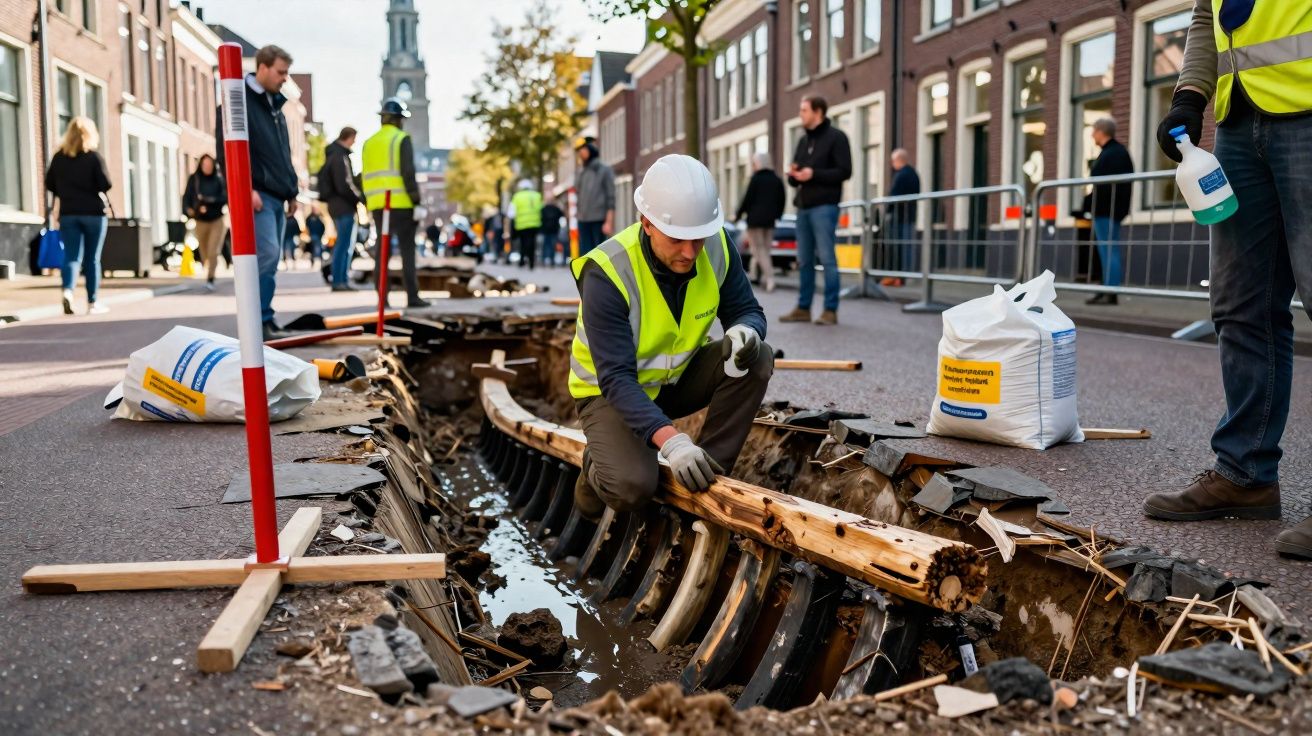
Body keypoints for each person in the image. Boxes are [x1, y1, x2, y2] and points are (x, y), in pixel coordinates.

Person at [1141, 0, 1312, 560]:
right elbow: (1204, 17)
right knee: (1240, 304)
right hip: (1239, 125)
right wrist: (1190, 96)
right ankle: (1246, 474)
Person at [569, 154, 773, 519]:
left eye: (698, 238)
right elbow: (615, 379)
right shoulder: (607, 272)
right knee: (633, 488)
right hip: (609, 394)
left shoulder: (717, 246)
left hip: (675, 381)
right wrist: (673, 442)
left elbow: (748, 310)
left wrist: (747, 330)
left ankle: (706, 474)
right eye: (678, 239)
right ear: (646, 222)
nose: (690, 252)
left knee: (758, 357)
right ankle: (595, 466)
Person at [216, 44, 299, 339]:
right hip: (259, 196)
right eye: (281, 72)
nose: (285, 78)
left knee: (272, 260)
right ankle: (258, 323)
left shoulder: (276, 105)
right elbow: (226, 151)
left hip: (278, 195)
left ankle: (266, 319)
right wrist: (244, 188)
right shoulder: (239, 102)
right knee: (267, 255)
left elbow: (282, 153)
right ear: (262, 68)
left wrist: (292, 191)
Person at [782, 96, 852, 325]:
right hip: (803, 207)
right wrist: (794, 175)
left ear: (818, 112)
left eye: (804, 110)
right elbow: (797, 179)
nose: (800, 114)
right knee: (803, 260)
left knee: (827, 259)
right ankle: (803, 308)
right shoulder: (803, 142)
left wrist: (814, 174)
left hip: (825, 207)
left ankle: (830, 310)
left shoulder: (837, 138)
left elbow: (845, 171)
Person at [361, 97, 425, 307]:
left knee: (383, 250)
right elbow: (408, 173)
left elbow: (363, 176)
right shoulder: (401, 139)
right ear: (399, 120)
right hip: (402, 204)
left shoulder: (368, 143)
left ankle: (383, 299)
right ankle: (412, 297)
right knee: (407, 251)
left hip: (379, 206)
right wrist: (417, 202)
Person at [45, 116, 111, 315]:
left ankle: (68, 292)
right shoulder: (93, 157)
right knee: (92, 259)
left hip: (69, 213)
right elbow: (106, 184)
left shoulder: (59, 158)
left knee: (71, 257)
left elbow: (49, 184)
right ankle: (92, 303)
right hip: (93, 214)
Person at [1084, 118, 1134, 305]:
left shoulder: (1112, 153)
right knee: (1107, 249)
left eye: (1094, 131)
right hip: (1110, 209)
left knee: (1108, 249)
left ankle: (1110, 291)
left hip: (1107, 210)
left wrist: (1089, 204)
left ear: (1101, 131)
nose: (1092, 135)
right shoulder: (1116, 152)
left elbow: (1102, 185)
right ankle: (1106, 288)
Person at [319, 126, 363, 291]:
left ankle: (341, 279)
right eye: (354, 139)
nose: (354, 143)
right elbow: (344, 184)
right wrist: (359, 198)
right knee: (344, 245)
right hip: (343, 206)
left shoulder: (334, 154)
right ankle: (339, 280)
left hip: (337, 205)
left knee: (344, 244)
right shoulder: (339, 157)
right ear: (349, 137)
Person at [735, 152, 786, 293]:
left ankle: (770, 279)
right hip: (770, 222)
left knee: (759, 250)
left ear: (758, 163)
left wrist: (737, 216)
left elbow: (747, 200)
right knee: (765, 250)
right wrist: (778, 215)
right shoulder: (777, 179)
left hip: (755, 221)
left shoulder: (756, 179)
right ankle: (756, 276)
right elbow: (782, 199)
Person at [182, 153, 228, 290]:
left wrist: (209, 201)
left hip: (217, 219)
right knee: (204, 251)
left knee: (213, 250)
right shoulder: (194, 179)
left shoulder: (219, 179)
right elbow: (187, 197)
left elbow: (225, 197)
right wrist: (189, 210)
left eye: (210, 164)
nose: (207, 167)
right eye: (205, 164)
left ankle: (210, 278)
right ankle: (208, 268)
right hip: (200, 220)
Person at [574, 136, 615, 256]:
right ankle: (587, 275)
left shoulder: (604, 170)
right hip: (583, 220)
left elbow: (611, 197)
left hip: (599, 220)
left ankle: (598, 275)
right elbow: (578, 193)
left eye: (583, 149)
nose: (580, 153)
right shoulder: (581, 172)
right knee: (585, 254)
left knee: (600, 254)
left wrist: (609, 221)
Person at [883, 149, 920, 287]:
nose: (892, 164)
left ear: (899, 160)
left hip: (899, 218)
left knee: (899, 247)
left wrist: (887, 211)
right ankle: (904, 276)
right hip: (909, 216)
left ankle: (899, 278)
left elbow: (893, 196)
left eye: (893, 161)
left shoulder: (901, 175)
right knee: (907, 247)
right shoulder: (914, 174)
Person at [506, 179, 543, 270]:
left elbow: (511, 213)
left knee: (523, 243)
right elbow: (541, 209)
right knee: (532, 243)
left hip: (521, 225)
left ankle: (522, 260)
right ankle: (531, 261)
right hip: (534, 224)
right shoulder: (537, 195)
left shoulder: (517, 196)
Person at [540, 195, 564, 267]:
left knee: (545, 245)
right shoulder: (556, 209)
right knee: (552, 245)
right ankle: (551, 260)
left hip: (546, 230)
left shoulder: (543, 209)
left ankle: (544, 260)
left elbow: (540, 218)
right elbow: (562, 215)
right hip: (554, 230)